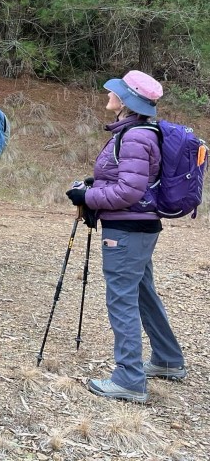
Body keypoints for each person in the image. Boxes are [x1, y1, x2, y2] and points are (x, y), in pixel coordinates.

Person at [64, 70, 186, 404]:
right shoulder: (138, 132)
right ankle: (167, 359)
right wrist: (95, 184)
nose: (108, 95)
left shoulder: (133, 136)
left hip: (127, 230)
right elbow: (132, 181)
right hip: (140, 228)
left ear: (126, 101)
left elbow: (129, 192)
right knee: (143, 291)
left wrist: (87, 198)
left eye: (114, 92)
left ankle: (129, 379)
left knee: (122, 298)